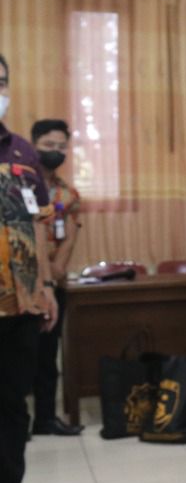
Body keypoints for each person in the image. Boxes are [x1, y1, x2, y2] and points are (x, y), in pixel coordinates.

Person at [0, 52, 59, 483]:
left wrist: (45, 286)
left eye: (1, 81)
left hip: (17, 303)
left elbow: (41, 224)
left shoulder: (21, 152)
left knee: (11, 405)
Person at [29, 118, 84, 436]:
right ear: (33, 144)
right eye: (49, 145)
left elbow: (69, 241)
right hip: (20, 285)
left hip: (53, 283)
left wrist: (51, 275)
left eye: (61, 146)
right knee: (18, 359)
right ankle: (14, 421)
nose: (55, 151)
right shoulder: (18, 184)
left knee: (48, 356)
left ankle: (46, 418)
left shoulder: (68, 194)